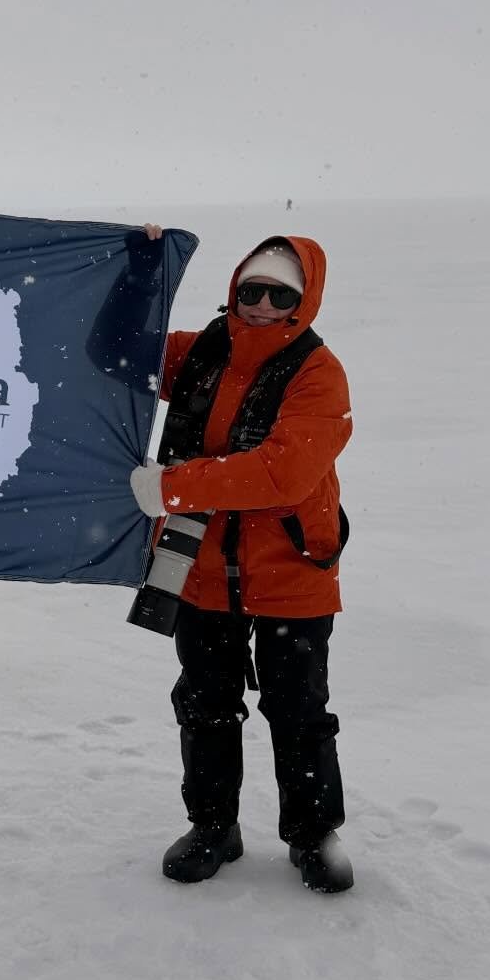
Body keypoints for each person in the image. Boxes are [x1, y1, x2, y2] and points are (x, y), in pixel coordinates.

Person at [129, 234, 354, 893]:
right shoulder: (200, 351)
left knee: (299, 711)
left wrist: (171, 487)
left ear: (301, 300)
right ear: (233, 288)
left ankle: (314, 835)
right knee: (205, 704)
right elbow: (115, 349)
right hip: (197, 565)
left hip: (292, 573)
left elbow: (282, 473)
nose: (259, 304)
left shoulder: (319, 373)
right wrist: (141, 267)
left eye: (278, 294)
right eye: (250, 289)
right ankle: (213, 827)